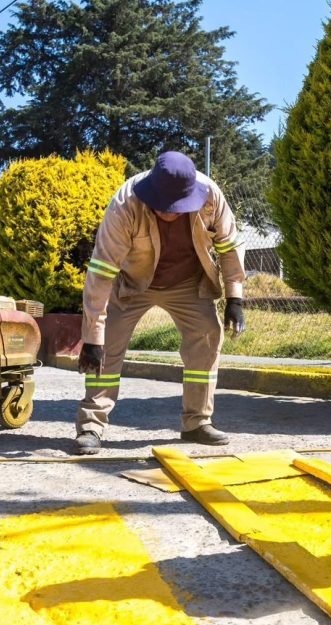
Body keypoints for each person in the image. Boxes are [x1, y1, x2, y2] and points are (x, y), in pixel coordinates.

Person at [73, 151, 246, 455]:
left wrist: (235, 296)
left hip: (187, 283)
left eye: (179, 207)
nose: (171, 213)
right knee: (107, 346)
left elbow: (230, 245)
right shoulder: (125, 204)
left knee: (207, 336)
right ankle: (91, 425)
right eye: (164, 207)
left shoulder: (210, 196)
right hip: (131, 283)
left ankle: (196, 422)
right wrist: (92, 337)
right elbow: (101, 272)